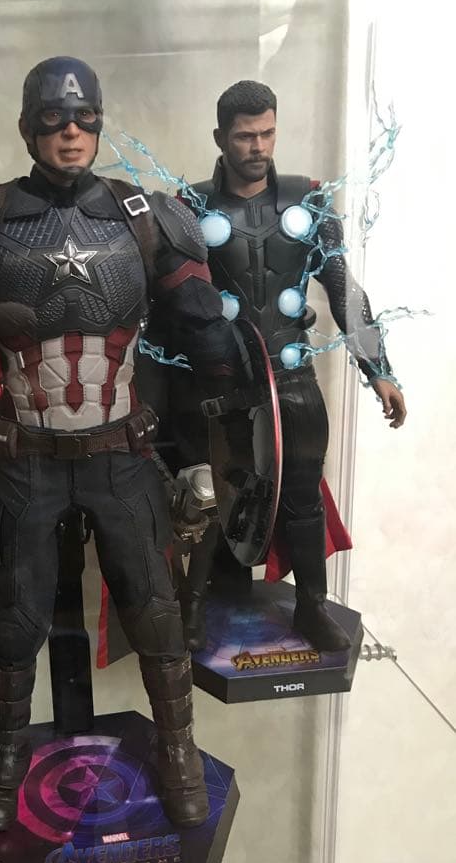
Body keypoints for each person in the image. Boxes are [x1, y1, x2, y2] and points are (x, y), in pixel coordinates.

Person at [0, 56, 241, 832]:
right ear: (27, 127)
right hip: (29, 459)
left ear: (101, 122)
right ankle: (9, 750)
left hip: (121, 455)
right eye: (54, 118)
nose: (72, 132)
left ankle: (178, 746)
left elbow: (204, 327)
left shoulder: (147, 217)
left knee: (155, 611)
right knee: (16, 620)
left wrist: (228, 431)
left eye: (85, 118)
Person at [172, 80, 406, 652]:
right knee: (211, 493)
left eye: (267, 133)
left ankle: (311, 606)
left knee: (302, 491)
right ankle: (192, 608)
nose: (258, 146)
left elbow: (342, 289)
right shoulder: (190, 207)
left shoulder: (309, 201)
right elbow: (171, 302)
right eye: (245, 136)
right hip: (221, 379)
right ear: (220, 137)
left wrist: (378, 368)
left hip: (291, 374)